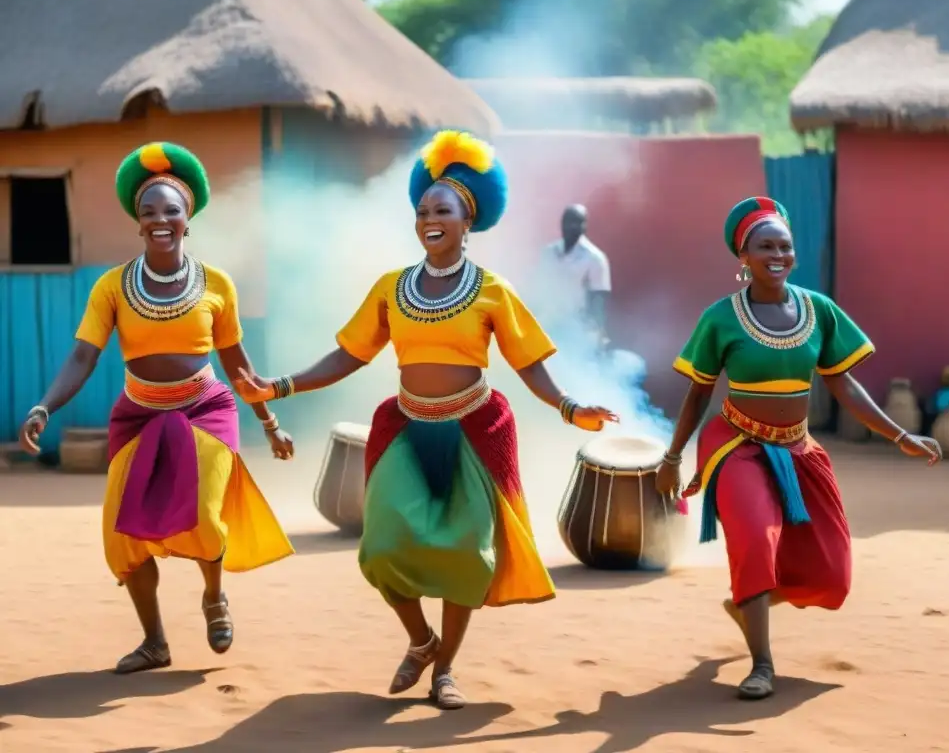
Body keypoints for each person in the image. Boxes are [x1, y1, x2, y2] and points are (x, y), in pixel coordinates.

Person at [234, 130, 618, 710]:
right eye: (422, 211)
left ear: (469, 221)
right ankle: (421, 640)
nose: (429, 219)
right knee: (382, 549)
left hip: (474, 430)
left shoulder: (493, 291)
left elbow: (529, 364)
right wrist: (280, 385)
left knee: (467, 554)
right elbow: (348, 355)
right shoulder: (392, 288)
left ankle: (446, 671)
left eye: (443, 210)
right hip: (407, 429)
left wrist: (569, 407)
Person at [18, 142, 295, 674]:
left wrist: (270, 423)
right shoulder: (112, 287)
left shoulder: (217, 284)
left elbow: (238, 361)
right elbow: (82, 355)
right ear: (138, 223)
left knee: (205, 519)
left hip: (205, 409)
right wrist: (44, 406)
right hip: (138, 414)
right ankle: (154, 642)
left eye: (171, 210)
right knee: (123, 536)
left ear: (188, 220)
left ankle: (213, 595)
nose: (160, 219)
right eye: (149, 212)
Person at [654, 196, 942, 701]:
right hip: (738, 445)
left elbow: (845, 385)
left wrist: (900, 435)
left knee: (832, 576)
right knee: (754, 539)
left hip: (798, 449)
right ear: (743, 256)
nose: (777, 254)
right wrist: (672, 457)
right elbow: (699, 392)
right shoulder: (720, 318)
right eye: (765, 245)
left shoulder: (819, 310)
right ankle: (762, 663)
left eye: (784, 245)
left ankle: (750, 599)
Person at [537, 204, 612, 349]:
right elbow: (539, 287)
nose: (571, 226)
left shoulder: (595, 258)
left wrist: (599, 333)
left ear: (585, 226)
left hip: (578, 328)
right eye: (568, 221)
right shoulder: (549, 252)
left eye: (577, 222)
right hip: (548, 324)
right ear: (561, 224)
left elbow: (599, 300)